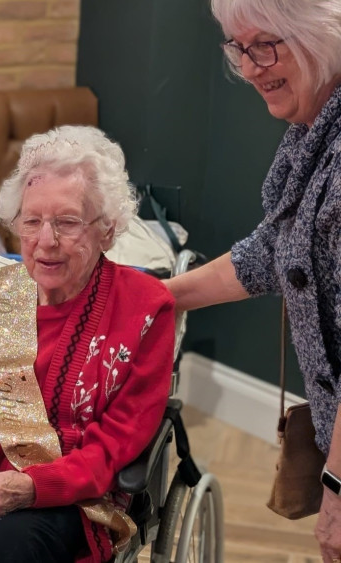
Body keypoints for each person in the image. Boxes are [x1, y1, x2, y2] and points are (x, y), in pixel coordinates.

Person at [0, 125, 175, 563]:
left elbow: (115, 445)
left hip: (72, 498)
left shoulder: (145, 308)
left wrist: (29, 488)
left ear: (107, 229)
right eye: (32, 221)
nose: (45, 242)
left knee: (6, 544)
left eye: (67, 222)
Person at [164, 2, 341, 559]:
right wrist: (161, 296)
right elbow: (275, 250)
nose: (250, 68)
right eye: (239, 49)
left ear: (321, 36)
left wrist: (337, 489)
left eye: (266, 44)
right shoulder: (313, 131)